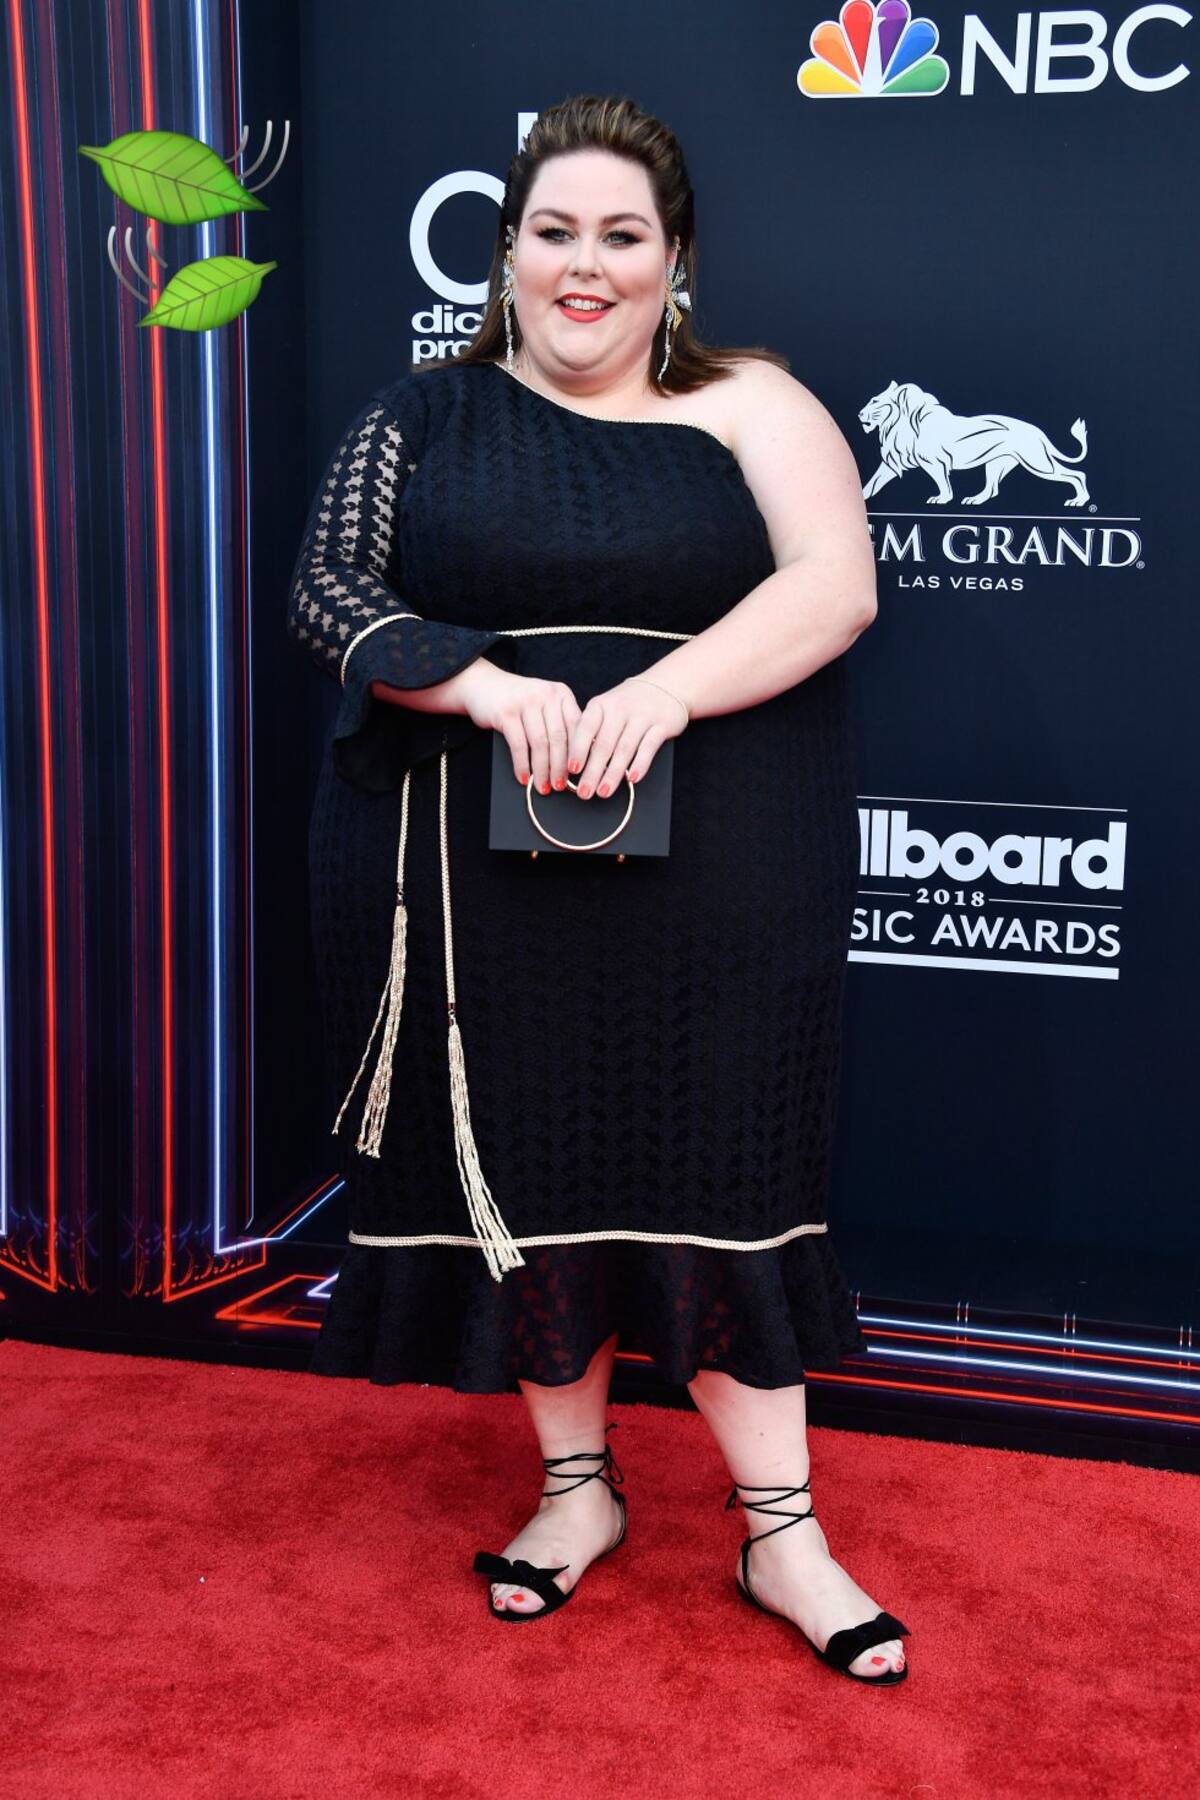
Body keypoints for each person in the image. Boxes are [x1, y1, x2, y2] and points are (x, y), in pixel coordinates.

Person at [287, 94, 910, 1683]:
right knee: (527, 1164)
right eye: (553, 231)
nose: (586, 264)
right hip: (470, 870)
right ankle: (578, 1491)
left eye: (622, 235)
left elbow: (835, 584)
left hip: (727, 867)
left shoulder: (753, 400)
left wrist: (668, 693)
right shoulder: (421, 415)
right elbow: (330, 592)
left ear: (673, 259)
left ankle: (783, 1535)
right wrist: (483, 685)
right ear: (505, 254)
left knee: (727, 1170)